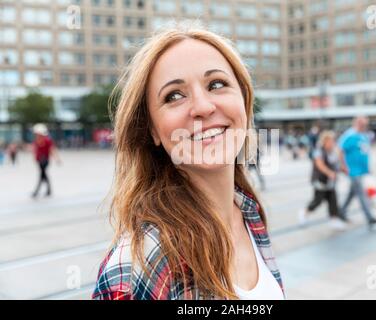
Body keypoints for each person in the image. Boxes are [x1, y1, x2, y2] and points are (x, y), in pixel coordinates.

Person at [92, 25, 284, 300]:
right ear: (153, 130)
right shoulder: (139, 266)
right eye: (174, 96)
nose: (204, 107)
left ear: (243, 99)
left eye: (217, 84)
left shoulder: (247, 210)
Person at [298, 131, 347, 230]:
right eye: (330, 141)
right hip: (320, 181)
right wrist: (329, 173)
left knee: (333, 200)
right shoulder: (318, 151)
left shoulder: (333, 152)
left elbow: (337, 164)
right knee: (317, 201)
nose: (332, 143)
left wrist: (342, 168)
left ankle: (334, 219)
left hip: (331, 182)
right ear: (324, 141)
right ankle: (304, 212)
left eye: (333, 141)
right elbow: (320, 165)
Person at [338, 116, 376, 227]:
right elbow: (340, 150)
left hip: (362, 170)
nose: (364, 126)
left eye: (365, 124)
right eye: (362, 124)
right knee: (362, 194)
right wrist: (343, 165)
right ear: (357, 123)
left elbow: (364, 152)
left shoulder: (364, 136)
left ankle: (341, 211)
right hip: (353, 170)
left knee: (352, 193)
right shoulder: (349, 135)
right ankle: (369, 217)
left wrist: (368, 169)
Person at [31, 124, 61, 198]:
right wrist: (34, 157)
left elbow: (52, 150)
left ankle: (36, 191)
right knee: (44, 175)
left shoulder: (47, 141)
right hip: (39, 160)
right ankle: (49, 190)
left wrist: (57, 159)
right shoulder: (36, 140)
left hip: (45, 160)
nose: (36, 134)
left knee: (42, 175)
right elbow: (35, 150)